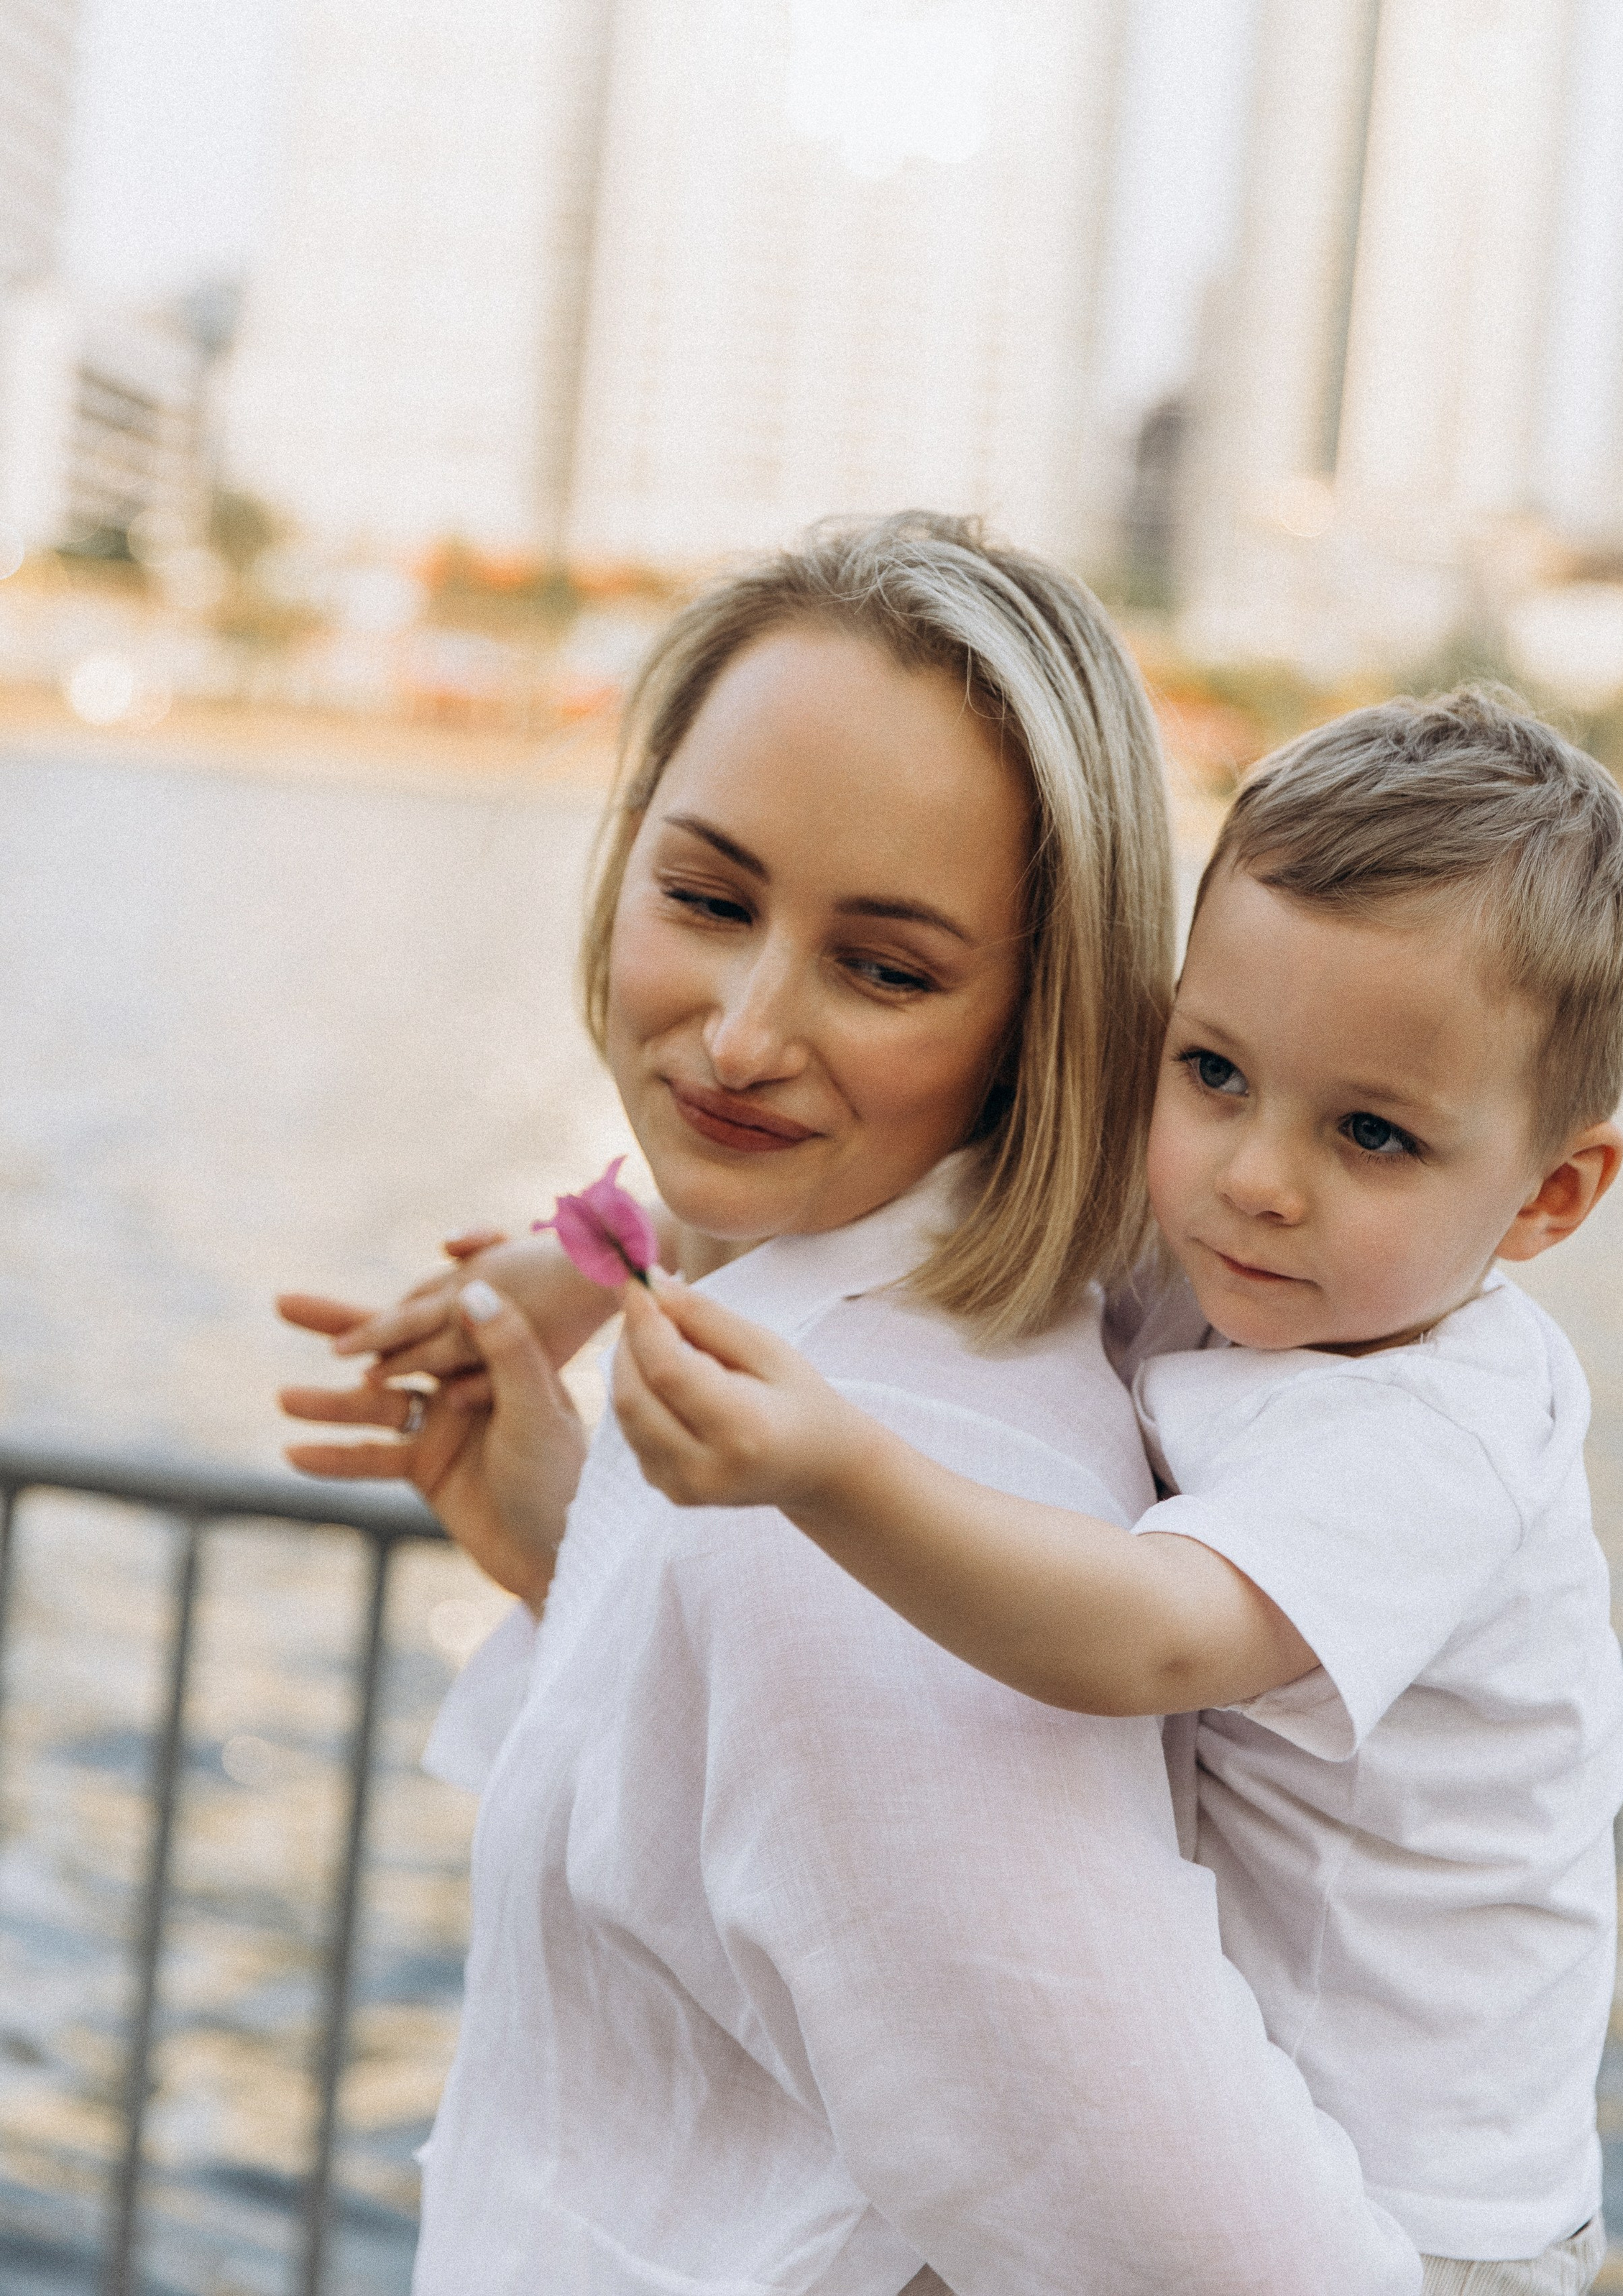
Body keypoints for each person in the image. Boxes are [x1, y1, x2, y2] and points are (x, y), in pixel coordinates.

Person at [277, 515, 1420, 2296]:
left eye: (884, 969)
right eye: (707, 898)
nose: (742, 1034)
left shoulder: (870, 1484)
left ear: (1034, 1021)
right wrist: (577, 1556)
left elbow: (1241, 2266)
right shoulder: (826, 1388)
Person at [612, 686, 1623, 2296]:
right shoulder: (1268, 1266)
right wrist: (575, 1265)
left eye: (1373, 1134)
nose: (1256, 1176)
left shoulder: (1430, 1435)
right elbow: (924, 1174)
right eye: (1214, 1070)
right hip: (1258, 2149)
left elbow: (1151, 1640)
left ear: (1553, 1194)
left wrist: (832, 1471)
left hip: (1430, 2227)